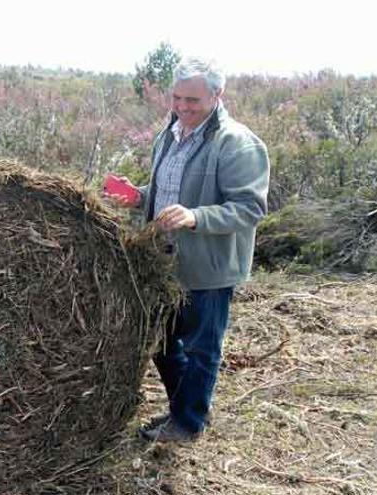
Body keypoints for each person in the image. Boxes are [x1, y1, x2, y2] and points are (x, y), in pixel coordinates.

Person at [106, 58, 269, 442]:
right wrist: (138, 197)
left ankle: (187, 424)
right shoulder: (170, 134)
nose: (182, 106)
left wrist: (195, 217)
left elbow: (249, 208)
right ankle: (188, 407)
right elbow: (169, 193)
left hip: (208, 268)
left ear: (217, 95)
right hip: (166, 264)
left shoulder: (236, 143)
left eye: (192, 99)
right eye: (177, 97)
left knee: (201, 350)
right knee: (161, 343)